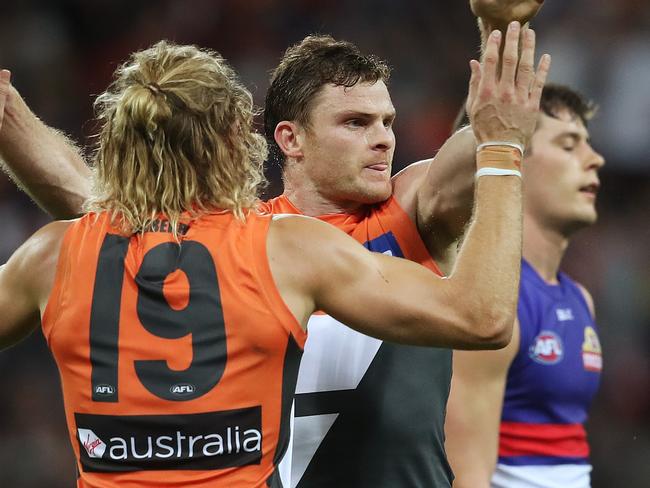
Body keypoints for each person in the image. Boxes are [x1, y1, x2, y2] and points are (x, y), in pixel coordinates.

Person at [0, 3, 546, 486]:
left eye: (387, 121)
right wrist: (503, 142)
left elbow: (478, 142)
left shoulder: (407, 209)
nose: (383, 137)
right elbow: (103, 209)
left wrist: (502, 26)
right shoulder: (268, 244)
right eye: (356, 122)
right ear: (280, 138)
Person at [445, 83, 605, 488]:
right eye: (570, 146)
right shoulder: (493, 302)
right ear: (514, 159)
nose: (596, 160)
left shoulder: (578, 298)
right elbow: (467, 477)